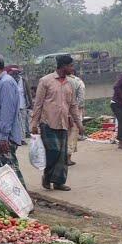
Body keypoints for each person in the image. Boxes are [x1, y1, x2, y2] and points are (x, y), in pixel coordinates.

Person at [31, 54, 84, 191]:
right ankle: (47, 177)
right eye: (70, 65)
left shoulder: (71, 83)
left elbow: (73, 105)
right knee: (53, 151)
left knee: (62, 154)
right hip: (47, 122)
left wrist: (79, 124)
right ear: (63, 66)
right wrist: (34, 123)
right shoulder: (46, 81)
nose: (72, 68)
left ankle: (59, 182)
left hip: (63, 123)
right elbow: (38, 104)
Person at [0, 54, 26, 186]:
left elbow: (7, 112)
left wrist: (3, 137)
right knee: (2, 174)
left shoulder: (6, 83)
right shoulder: (0, 83)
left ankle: (22, 200)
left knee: (10, 172)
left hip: (2, 138)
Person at [9, 68, 33, 145]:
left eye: (16, 74)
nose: (15, 75)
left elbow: (28, 93)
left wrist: (30, 103)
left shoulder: (24, 81)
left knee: (22, 123)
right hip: (13, 106)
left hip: (23, 105)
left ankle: (21, 139)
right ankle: (15, 138)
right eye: (13, 74)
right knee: (15, 123)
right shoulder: (10, 82)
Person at [67, 70, 86, 166]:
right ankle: (68, 158)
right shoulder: (78, 81)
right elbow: (81, 99)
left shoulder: (58, 80)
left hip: (60, 112)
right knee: (72, 134)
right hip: (74, 112)